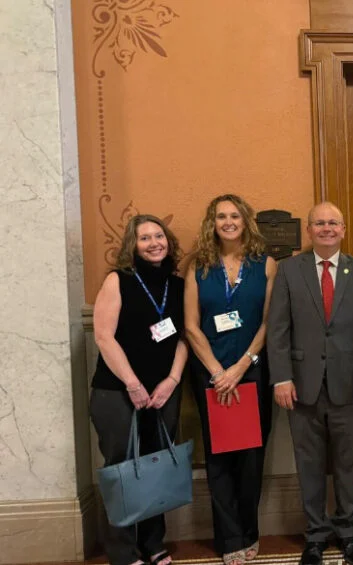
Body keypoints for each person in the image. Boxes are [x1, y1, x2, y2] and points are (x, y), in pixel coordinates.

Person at [267, 202, 353, 565]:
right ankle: (315, 535)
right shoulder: (289, 270)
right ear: (309, 230)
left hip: (350, 387)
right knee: (310, 463)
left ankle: (348, 533)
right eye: (320, 223)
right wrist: (281, 377)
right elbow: (278, 329)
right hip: (301, 387)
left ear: (343, 229)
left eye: (333, 223)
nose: (327, 228)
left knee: (349, 463)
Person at [184, 194, 276, 565]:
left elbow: (269, 322)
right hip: (211, 375)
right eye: (221, 216)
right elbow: (191, 326)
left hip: (252, 371)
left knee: (252, 457)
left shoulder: (266, 265)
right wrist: (219, 372)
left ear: (245, 220)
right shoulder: (198, 267)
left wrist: (241, 366)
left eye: (234, 215)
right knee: (219, 457)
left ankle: (250, 531)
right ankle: (229, 538)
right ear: (212, 222)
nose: (228, 222)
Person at [90, 214, 188, 565]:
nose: (154, 243)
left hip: (163, 393)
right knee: (123, 469)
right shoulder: (119, 281)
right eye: (144, 238)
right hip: (117, 393)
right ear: (132, 245)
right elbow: (103, 336)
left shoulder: (177, 286)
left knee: (154, 466)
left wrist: (172, 381)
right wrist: (132, 384)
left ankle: (152, 542)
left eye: (159, 236)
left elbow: (183, 339)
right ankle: (121, 550)